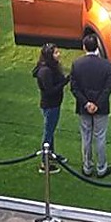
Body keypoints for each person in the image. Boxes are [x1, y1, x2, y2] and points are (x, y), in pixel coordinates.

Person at [70, 35, 111, 178]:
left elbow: (74, 87)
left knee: (86, 136)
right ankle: (101, 168)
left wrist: (86, 103)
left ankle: (87, 166)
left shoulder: (77, 64)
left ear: (84, 47)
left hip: (84, 107)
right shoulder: (106, 65)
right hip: (101, 107)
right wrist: (97, 104)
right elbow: (107, 88)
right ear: (97, 46)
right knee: (100, 137)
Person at [32, 43, 69, 174]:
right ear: (49, 56)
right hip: (50, 105)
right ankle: (44, 162)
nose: (59, 54)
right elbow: (50, 91)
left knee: (50, 131)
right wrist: (64, 82)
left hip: (53, 104)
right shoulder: (46, 71)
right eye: (56, 53)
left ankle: (51, 155)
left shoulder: (50, 68)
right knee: (48, 133)